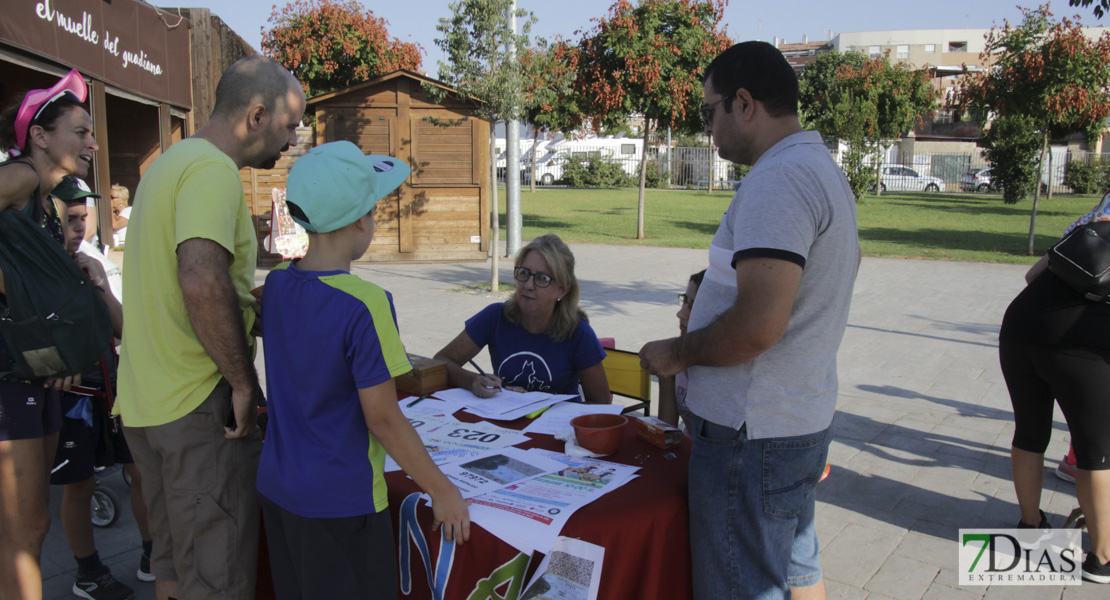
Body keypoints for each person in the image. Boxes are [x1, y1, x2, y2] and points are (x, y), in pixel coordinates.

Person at [639, 41, 859, 600]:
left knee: (740, 586)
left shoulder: (778, 180)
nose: (708, 129)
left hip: (751, 436)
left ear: (744, 103)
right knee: (796, 568)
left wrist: (677, 352)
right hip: (790, 423)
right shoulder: (817, 167)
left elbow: (760, 324)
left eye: (709, 111)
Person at [115, 55, 306, 600]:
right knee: (217, 579)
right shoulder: (213, 171)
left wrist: (247, 304)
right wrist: (244, 384)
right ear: (255, 116)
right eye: (289, 125)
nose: (291, 140)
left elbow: (183, 281)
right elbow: (199, 279)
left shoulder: (170, 165)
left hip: (147, 404)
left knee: (172, 569)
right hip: (197, 411)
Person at [257, 141, 470, 599]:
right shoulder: (366, 303)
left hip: (278, 489)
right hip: (341, 502)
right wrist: (442, 489)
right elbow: (383, 416)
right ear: (360, 219)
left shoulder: (274, 286)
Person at [0, 68, 99, 600]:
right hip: (7, 376)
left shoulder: (43, 200)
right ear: (39, 136)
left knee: (33, 525)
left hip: (32, 375)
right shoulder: (17, 178)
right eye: (79, 131)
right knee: (19, 533)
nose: (91, 141)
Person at [999, 189, 1110, 583]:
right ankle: (1102, 557)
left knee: (1030, 431)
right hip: (1080, 343)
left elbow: (1031, 276)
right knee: (1095, 448)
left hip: (1020, 326)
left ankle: (1031, 527)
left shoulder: (1086, 225)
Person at [52, 177, 152, 600]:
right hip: (73, 398)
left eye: (82, 218)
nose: (78, 227)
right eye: (68, 219)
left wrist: (99, 284)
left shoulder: (93, 260)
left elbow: (122, 326)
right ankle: (87, 571)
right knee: (81, 485)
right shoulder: (36, 269)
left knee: (140, 471)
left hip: (114, 387)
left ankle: (152, 555)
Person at [434, 233, 609, 403]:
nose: (528, 285)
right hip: (504, 425)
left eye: (542, 278)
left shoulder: (578, 332)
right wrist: (471, 380)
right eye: (524, 273)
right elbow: (440, 362)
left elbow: (601, 404)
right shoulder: (495, 317)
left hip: (556, 430)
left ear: (562, 291)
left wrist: (537, 403)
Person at [658, 270, 705, 429]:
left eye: (693, 306)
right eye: (684, 301)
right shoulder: (671, 360)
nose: (681, 313)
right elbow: (666, 431)